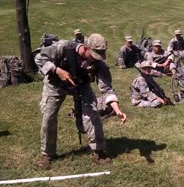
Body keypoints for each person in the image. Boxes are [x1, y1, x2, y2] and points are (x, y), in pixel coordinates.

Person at [35, 33, 127, 168]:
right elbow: (39, 57)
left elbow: (107, 89)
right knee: (48, 117)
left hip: (81, 85)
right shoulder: (63, 47)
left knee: (93, 114)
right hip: (55, 84)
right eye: (94, 54)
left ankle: (99, 150)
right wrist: (57, 70)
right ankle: (47, 154)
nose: (96, 59)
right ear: (86, 48)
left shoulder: (99, 64)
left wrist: (117, 110)